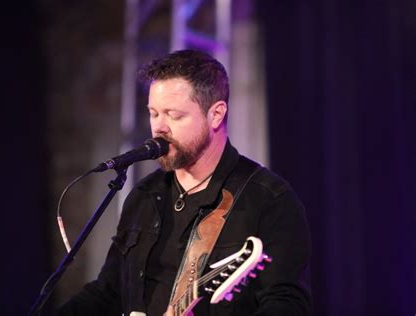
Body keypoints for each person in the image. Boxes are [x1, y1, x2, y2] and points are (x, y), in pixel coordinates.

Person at [58, 49, 312, 315]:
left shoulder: (268, 199)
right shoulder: (145, 194)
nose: (159, 127)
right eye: (154, 113)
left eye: (174, 115)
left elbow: (287, 304)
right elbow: (109, 291)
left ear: (216, 114)